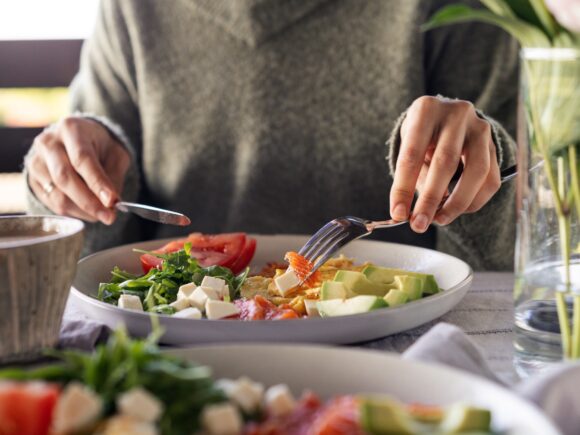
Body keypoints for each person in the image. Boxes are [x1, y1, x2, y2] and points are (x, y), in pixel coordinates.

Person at [24, 0, 519, 270]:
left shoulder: (466, 10)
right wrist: (64, 184)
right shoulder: (132, 10)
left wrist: (477, 170)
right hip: (171, 348)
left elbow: (499, 271)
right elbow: (87, 260)